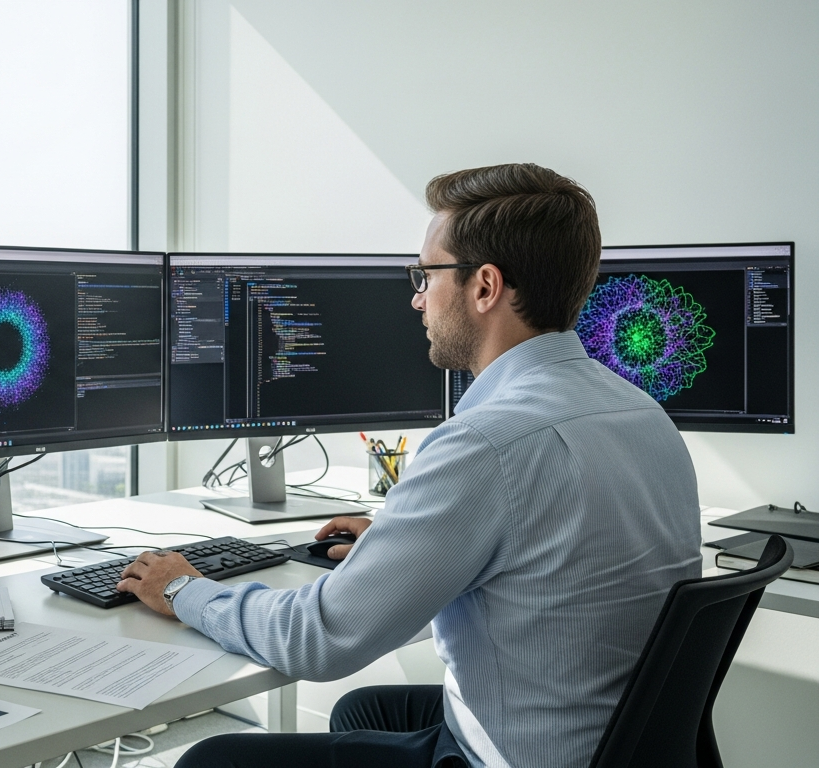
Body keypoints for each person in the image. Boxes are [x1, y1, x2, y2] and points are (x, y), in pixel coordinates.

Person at [116, 163, 703, 768]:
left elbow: (318, 641)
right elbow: (561, 549)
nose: (418, 297)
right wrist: (409, 543)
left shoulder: (483, 444)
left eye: (426, 275)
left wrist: (184, 589)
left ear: (485, 287)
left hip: (515, 757)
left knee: (212, 760)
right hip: (614, 739)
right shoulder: (641, 412)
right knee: (364, 711)